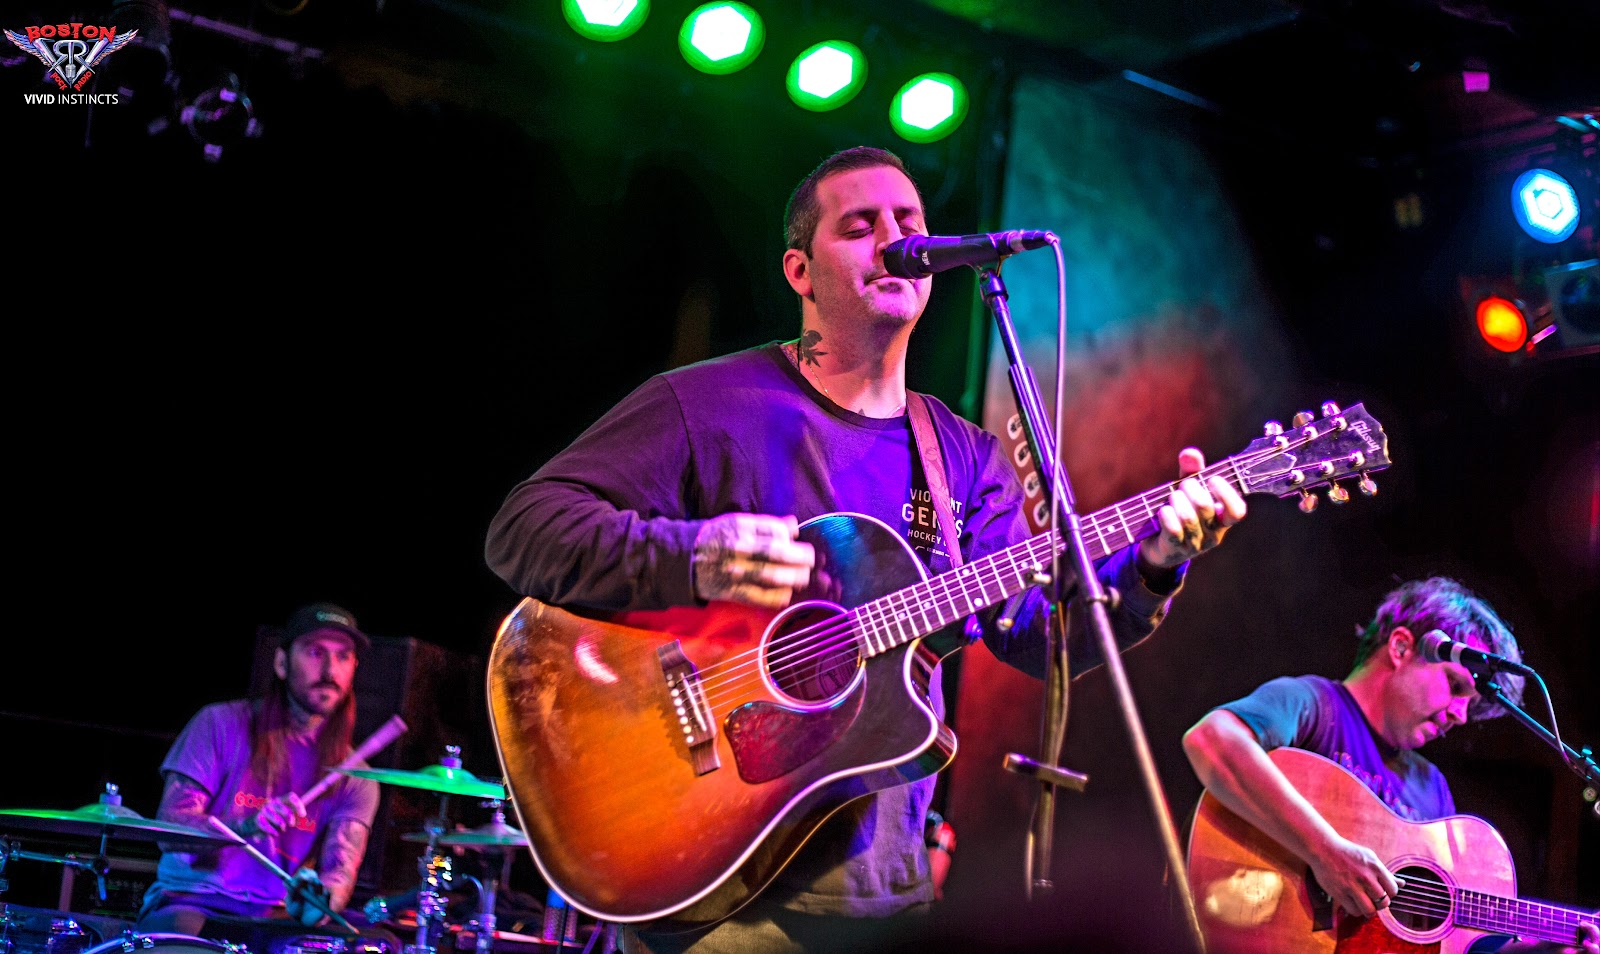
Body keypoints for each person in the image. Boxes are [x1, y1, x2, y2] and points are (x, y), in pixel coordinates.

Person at [483, 145, 1247, 953]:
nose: (895, 239)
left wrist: (1156, 563)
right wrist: (694, 557)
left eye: (909, 222)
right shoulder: (710, 404)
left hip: (884, 894)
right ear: (801, 271)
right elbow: (524, 528)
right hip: (714, 897)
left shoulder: (964, 457)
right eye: (860, 226)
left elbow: (1039, 636)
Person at [1183, 576, 1599, 954]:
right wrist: (1325, 852)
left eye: (1470, 705)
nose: (1459, 715)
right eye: (1455, 685)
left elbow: (1447, 944)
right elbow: (1211, 739)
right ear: (1401, 648)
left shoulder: (1432, 788)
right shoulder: (1313, 705)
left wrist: (1550, 947)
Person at [136, 602, 389, 946]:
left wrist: (319, 902)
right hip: (193, 899)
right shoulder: (218, 725)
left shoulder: (357, 777)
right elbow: (169, 829)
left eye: (343, 656)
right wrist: (247, 825)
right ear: (282, 663)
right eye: (315, 652)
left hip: (278, 916)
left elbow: (339, 873)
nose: (330, 669)